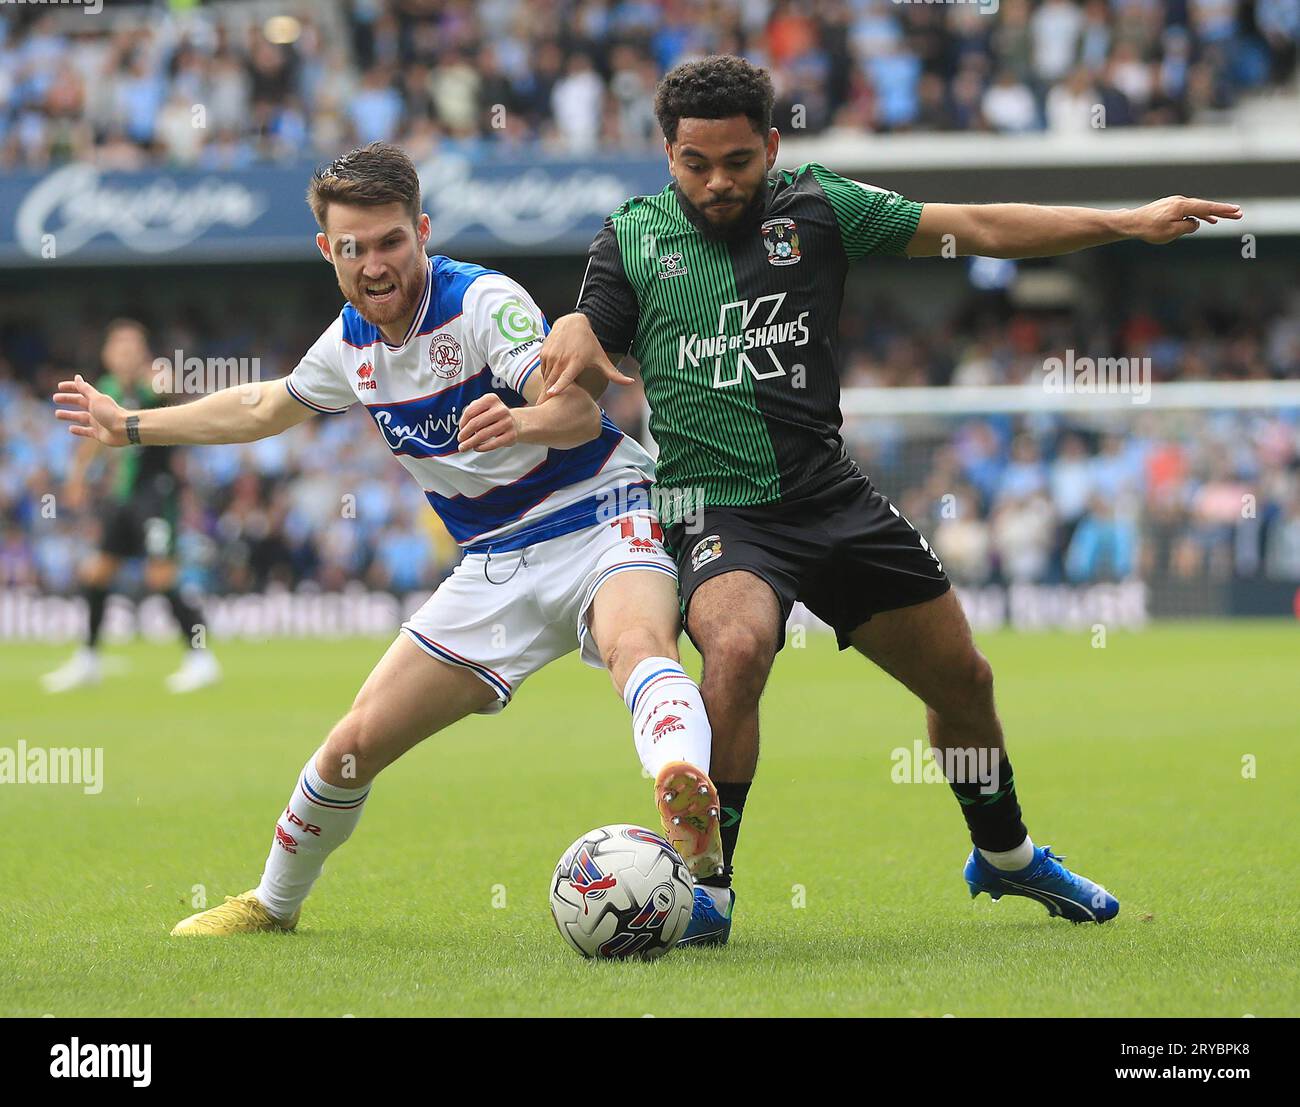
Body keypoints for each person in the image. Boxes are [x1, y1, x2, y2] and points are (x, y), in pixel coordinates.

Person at [540, 54, 1243, 944]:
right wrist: (567, 332)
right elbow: (585, 342)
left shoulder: (822, 210)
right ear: (665, 151)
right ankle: (711, 886)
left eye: (738, 162)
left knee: (965, 679)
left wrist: (1128, 222)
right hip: (719, 510)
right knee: (740, 647)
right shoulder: (631, 238)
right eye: (695, 163)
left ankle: (1006, 853)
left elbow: (980, 224)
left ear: (773, 145)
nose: (717, 182)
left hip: (833, 498)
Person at [54, 142, 722, 938]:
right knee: (354, 743)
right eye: (353, 247)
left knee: (636, 644)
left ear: (423, 231)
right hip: (492, 565)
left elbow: (576, 410)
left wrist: (523, 418)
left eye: (390, 241)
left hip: (600, 515)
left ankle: (682, 781)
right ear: (326, 251)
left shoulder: (482, 302)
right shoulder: (349, 348)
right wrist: (130, 425)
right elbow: (264, 408)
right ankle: (271, 904)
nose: (374, 263)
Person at [43, 318, 220, 695]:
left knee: (161, 577)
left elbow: (170, 389)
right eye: (118, 346)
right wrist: (77, 477)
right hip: (123, 498)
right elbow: (94, 438)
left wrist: (162, 378)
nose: (124, 352)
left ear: (142, 351)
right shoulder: (106, 388)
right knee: (96, 575)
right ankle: (89, 659)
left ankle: (201, 658)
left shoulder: (154, 378)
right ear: (107, 353)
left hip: (156, 494)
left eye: (132, 346)